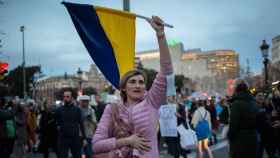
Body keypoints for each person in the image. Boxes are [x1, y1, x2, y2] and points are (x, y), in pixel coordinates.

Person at [92, 16, 173, 158]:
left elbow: (166, 71)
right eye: (132, 82)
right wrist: (127, 141)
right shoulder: (112, 109)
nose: (138, 85)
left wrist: (160, 35)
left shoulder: (151, 102)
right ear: (123, 87)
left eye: (141, 82)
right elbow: (96, 145)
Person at [227, 79, 258, 158]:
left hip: (240, 141)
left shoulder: (237, 103)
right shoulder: (253, 101)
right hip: (253, 138)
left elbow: (233, 125)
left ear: (236, 88)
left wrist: (229, 136)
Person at [55, 90, 87, 158]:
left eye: (67, 96)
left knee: (77, 155)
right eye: (64, 96)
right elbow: (55, 121)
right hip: (63, 138)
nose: (65, 98)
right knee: (62, 156)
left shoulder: (77, 110)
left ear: (71, 98)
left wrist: (84, 138)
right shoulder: (59, 110)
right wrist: (58, 127)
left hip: (74, 137)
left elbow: (81, 124)